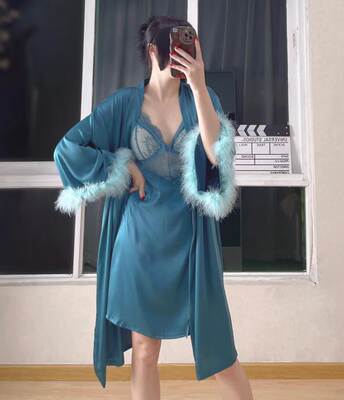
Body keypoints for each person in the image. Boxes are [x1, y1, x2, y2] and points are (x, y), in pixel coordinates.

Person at [54, 14, 253, 400]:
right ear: (152, 50)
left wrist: (199, 85)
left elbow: (216, 157)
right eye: (174, 45)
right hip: (139, 243)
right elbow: (66, 149)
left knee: (221, 356)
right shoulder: (124, 104)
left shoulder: (202, 98)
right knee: (144, 353)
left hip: (191, 244)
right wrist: (120, 166)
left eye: (189, 45)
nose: (183, 52)